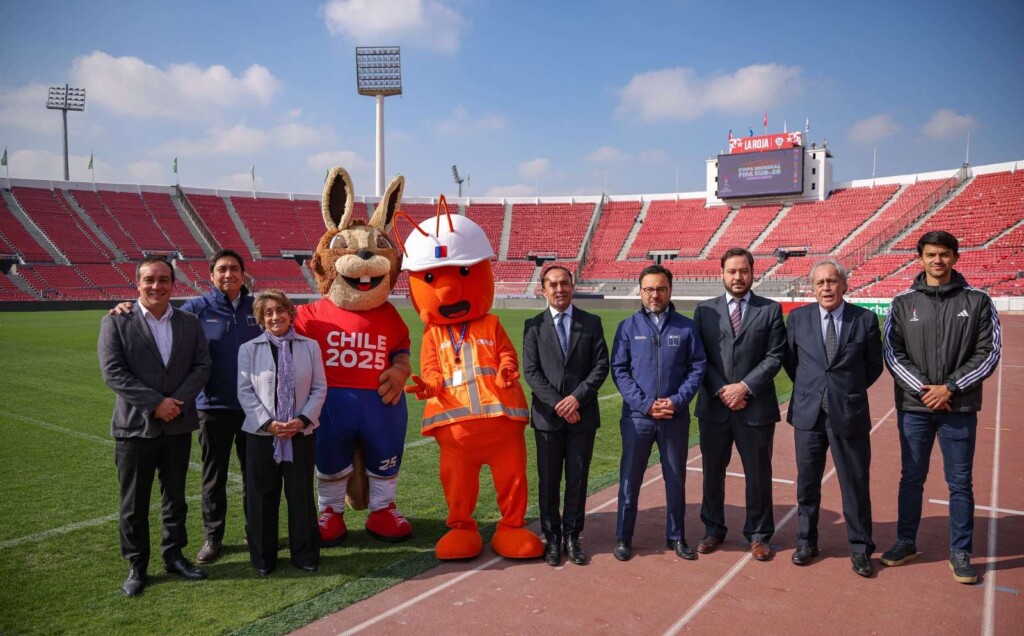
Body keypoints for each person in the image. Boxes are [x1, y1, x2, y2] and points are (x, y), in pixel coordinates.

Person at [112, 249, 262, 564]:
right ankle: (213, 537)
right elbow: (156, 309)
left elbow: (286, 321)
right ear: (211, 276)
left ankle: (256, 532)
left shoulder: (258, 307)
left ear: (243, 274)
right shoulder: (195, 309)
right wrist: (125, 306)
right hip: (212, 407)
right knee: (213, 477)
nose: (228, 274)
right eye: (222, 269)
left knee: (255, 475)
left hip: (254, 407)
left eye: (234, 269)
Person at [881, 230, 1001, 584]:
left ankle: (961, 551)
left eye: (944, 254)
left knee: (960, 482)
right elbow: (892, 352)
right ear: (920, 259)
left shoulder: (978, 300)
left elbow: (989, 352)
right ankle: (905, 541)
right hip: (914, 408)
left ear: (955, 258)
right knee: (911, 478)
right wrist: (924, 389)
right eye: (931, 254)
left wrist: (950, 387)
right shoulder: (903, 303)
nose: (937, 260)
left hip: (959, 408)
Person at [97, 257, 211, 597]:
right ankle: (137, 565)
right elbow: (112, 372)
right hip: (134, 429)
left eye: (163, 280)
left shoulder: (189, 323)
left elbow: (202, 365)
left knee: (175, 498)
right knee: (134, 503)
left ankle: (174, 556)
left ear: (173, 284)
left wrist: (175, 402)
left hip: (177, 425)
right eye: (149, 279)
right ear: (137, 283)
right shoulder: (116, 321)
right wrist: (155, 403)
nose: (156, 286)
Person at [784, 260, 883, 577]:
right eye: (819, 283)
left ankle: (860, 548)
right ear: (812, 288)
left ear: (844, 284)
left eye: (831, 281)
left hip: (849, 412)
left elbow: (873, 366)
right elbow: (791, 362)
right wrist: (814, 391)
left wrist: (845, 391)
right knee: (807, 483)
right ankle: (806, 541)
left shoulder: (864, 319)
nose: (826, 288)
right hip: (808, 414)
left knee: (855, 484)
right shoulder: (798, 319)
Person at [692, 247, 785, 561]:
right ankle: (713, 529)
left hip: (755, 408)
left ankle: (758, 535)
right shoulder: (704, 311)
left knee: (758, 474)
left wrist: (744, 387)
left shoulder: (770, 310)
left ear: (753, 272)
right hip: (714, 409)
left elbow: (775, 357)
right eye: (731, 271)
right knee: (712, 473)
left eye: (743, 271)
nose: (737, 277)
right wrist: (722, 390)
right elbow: (699, 358)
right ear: (721, 274)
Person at [611, 264, 706, 561]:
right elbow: (619, 370)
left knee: (676, 479)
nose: (655, 294)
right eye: (649, 289)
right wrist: (644, 404)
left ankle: (676, 537)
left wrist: (677, 401)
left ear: (670, 290)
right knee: (630, 479)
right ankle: (624, 537)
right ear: (640, 291)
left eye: (661, 288)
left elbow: (697, 367)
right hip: (638, 418)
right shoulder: (628, 327)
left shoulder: (686, 327)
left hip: (674, 418)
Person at [523, 266, 609, 566]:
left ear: (572, 286)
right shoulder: (533, 326)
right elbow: (531, 372)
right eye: (553, 284)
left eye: (564, 283)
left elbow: (600, 367)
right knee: (548, 481)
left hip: (582, 417)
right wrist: (560, 404)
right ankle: (553, 538)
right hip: (547, 418)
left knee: (577, 480)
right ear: (543, 289)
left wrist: (575, 400)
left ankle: (573, 536)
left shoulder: (591, 322)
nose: (559, 289)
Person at [237, 290, 327, 576]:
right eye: (268, 313)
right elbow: (245, 391)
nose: (275, 316)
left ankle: (305, 554)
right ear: (261, 319)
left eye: (280, 310)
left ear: (290, 313)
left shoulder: (310, 346)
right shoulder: (249, 349)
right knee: (262, 496)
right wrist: (268, 424)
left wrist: (301, 420)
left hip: (301, 434)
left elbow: (319, 388)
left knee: (300, 494)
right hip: (262, 435)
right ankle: (264, 558)